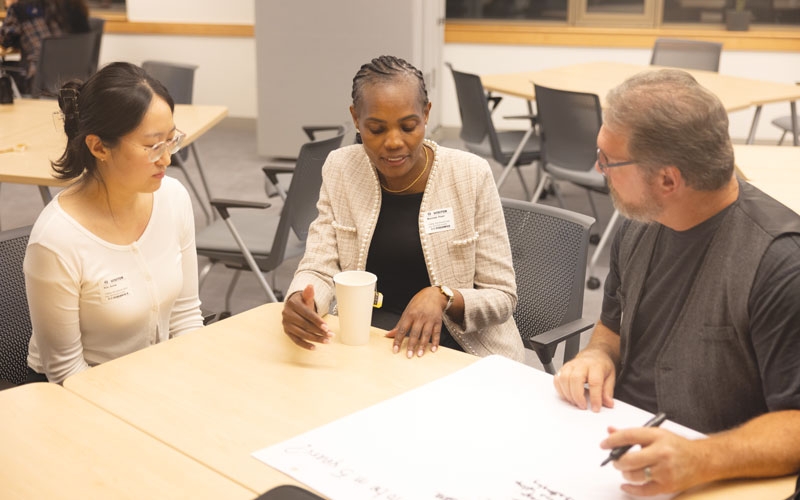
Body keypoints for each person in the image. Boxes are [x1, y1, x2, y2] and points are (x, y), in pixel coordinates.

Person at [552, 69, 800, 495]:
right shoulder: (640, 221)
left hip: (715, 475)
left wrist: (700, 458)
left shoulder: (780, 264)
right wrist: (598, 354)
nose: (598, 167)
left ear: (668, 179)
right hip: (620, 446)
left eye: (609, 159)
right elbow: (611, 325)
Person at [281, 55, 524, 363]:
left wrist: (443, 296)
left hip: (457, 349)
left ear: (426, 114)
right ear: (356, 119)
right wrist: (301, 298)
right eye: (376, 129)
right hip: (366, 342)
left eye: (408, 126)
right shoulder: (341, 168)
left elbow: (502, 297)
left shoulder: (470, 175)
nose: (393, 142)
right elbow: (319, 264)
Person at [24, 62, 204, 384]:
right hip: (85, 399)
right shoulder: (57, 240)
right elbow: (68, 375)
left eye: (171, 140)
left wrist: (191, 382)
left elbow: (186, 316)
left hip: (159, 381)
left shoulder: (173, 198)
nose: (167, 159)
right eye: (152, 146)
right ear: (98, 146)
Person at [0, 0, 88, 93]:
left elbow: (5, 39)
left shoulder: (19, 9)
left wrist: (11, 5)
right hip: (72, 74)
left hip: (37, 77)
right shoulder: (65, 6)